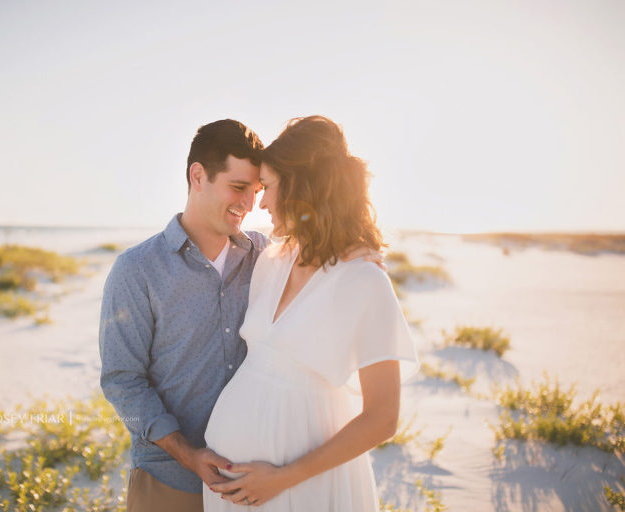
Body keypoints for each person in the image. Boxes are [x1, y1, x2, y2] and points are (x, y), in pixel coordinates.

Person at [99, 118, 384, 512]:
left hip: (254, 490)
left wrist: (361, 250)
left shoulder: (268, 256)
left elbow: (329, 248)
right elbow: (122, 382)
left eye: (256, 190)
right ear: (197, 176)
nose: (249, 205)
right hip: (171, 481)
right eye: (237, 188)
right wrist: (189, 455)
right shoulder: (137, 270)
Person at [203, 116, 419, 511]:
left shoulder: (364, 280)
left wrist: (283, 478)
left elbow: (383, 417)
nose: (261, 203)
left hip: (304, 486)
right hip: (231, 490)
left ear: (303, 187)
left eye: (267, 187)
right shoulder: (271, 260)